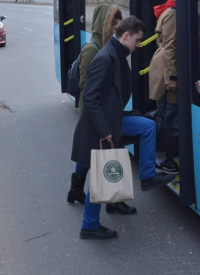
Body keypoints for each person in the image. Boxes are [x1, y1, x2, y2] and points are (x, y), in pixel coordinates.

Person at [72, 16, 175, 240]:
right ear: (125, 35)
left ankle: (140, 181)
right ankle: (89, 225)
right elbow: (89, 98)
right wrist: (104, 130)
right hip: (103, 125)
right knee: (103, 173)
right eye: (137, 40)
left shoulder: (117, 53)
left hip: (113, 119)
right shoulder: (105, 58)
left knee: (147, 127)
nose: (139, 45)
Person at [149, 0, 179, 174]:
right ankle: (160, 159)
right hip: (167, 70)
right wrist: (172, 79)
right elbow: (170, 48)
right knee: (166, 116)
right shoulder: (174, 13)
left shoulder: (169, 9)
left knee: (166, 114)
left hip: (164, 67)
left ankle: (166, 155)